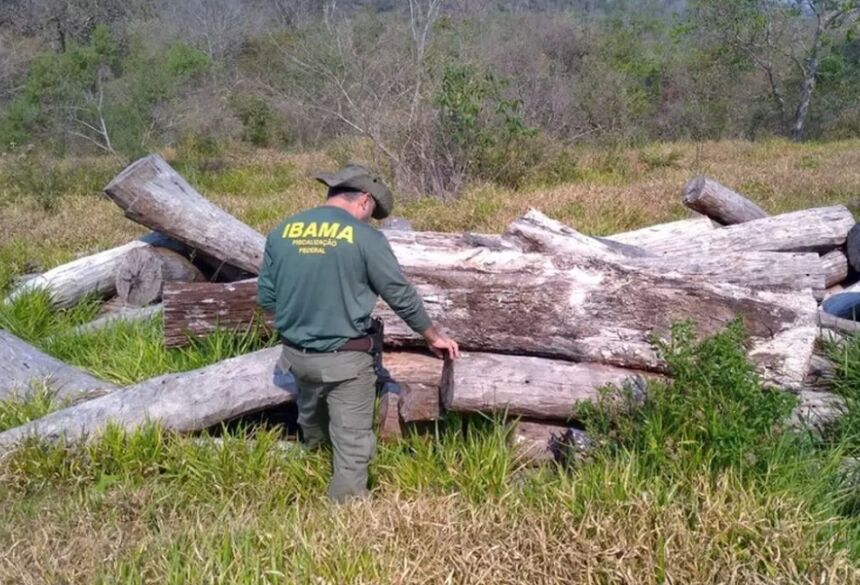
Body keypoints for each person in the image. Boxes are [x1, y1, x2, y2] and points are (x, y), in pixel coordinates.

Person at [257, 163, 460, 502]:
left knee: (314, 426)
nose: (370, 219)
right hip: (346, 362)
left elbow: (266, 299)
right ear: (364, 200)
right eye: (372, 212)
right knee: (352, 445)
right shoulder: (365, 238)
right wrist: (431, 335)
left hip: (295, 357)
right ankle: (346, 521)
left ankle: (306, 478)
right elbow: (400, 294)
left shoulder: (282, 231)